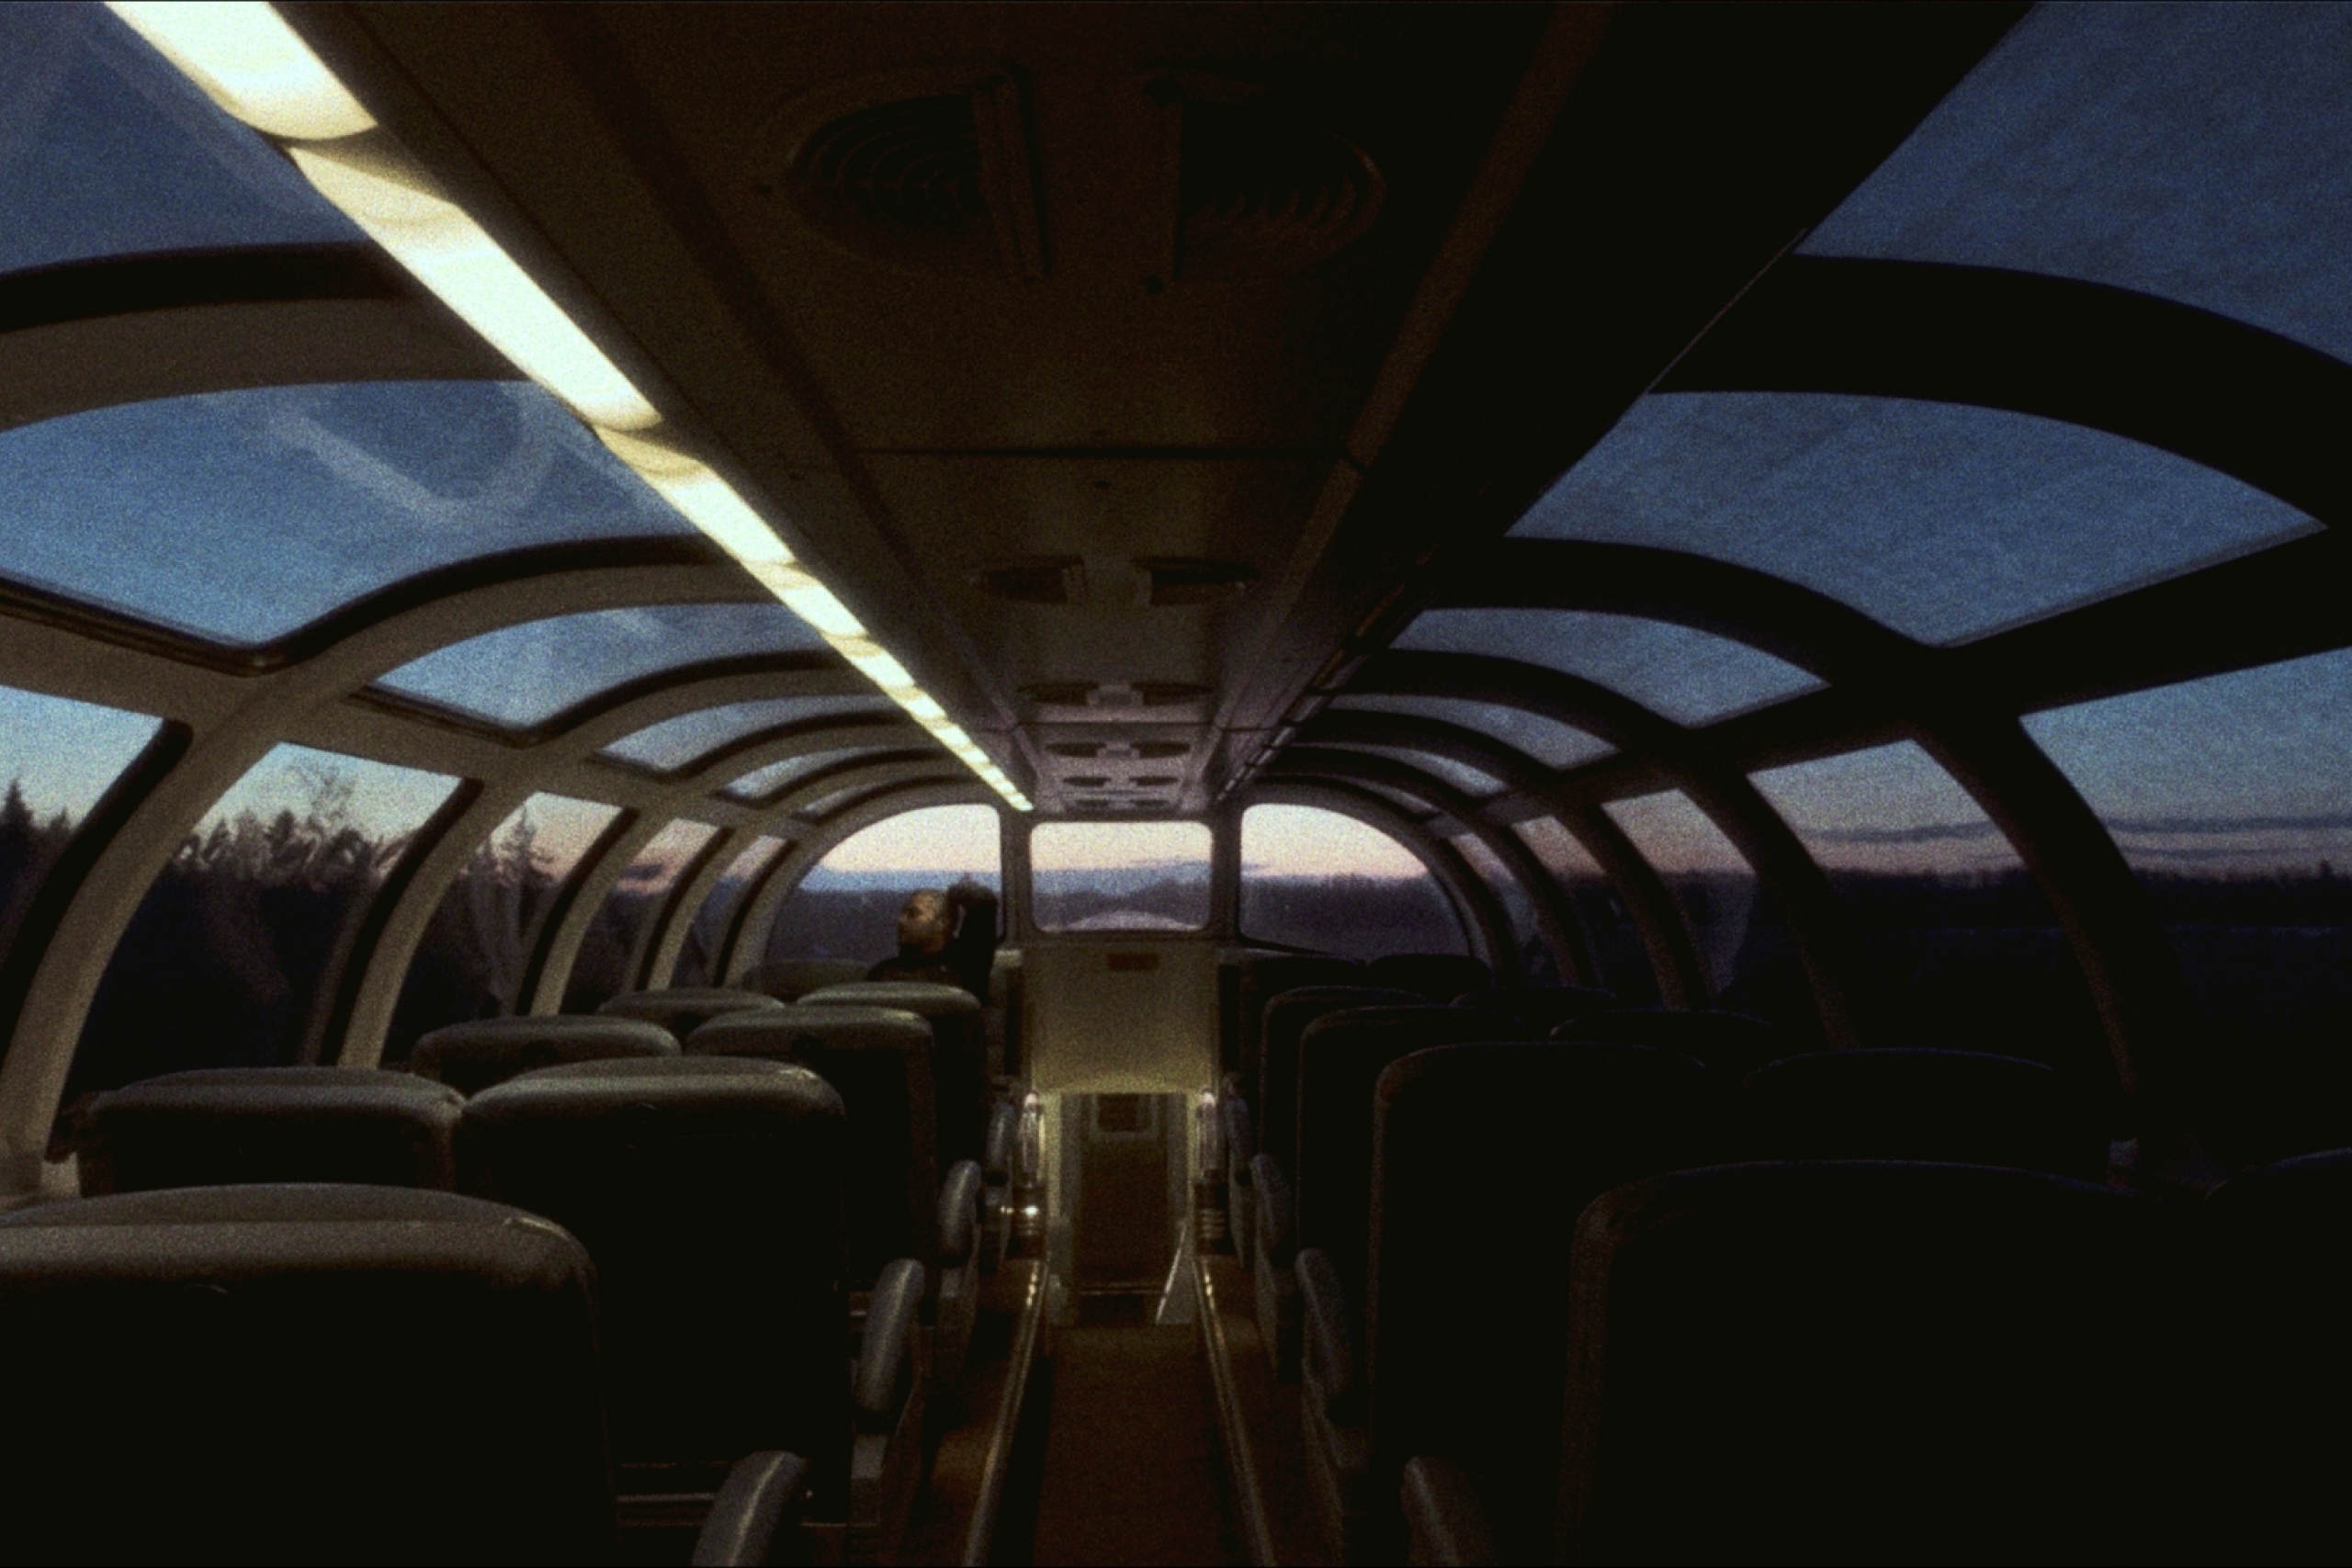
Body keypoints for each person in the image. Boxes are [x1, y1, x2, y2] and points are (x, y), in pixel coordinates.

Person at [867, 881, 1001, 1002]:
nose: (901, 920)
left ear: (942, 923)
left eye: (913, 914)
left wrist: (955, 891)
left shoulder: (966, 968)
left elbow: (984, 903)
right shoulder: (883, 972)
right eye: (902, 913)